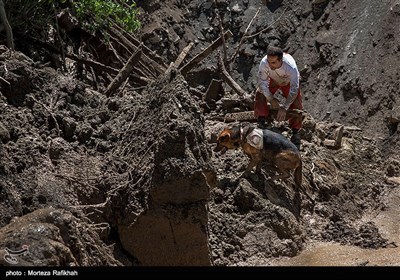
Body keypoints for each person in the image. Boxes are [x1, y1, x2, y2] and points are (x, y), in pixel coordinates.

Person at [254, 45, 303, 150]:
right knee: (260, 93)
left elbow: (294, 89)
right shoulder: (264, 63)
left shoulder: (291, 67)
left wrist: (284, 108)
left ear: (281, 60)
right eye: (268, 61)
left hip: (288, 82)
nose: (269, 64)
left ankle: (295, 132)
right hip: (273, 79)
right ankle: (261, 121)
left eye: (273, 63)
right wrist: (271, 99)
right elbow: (262, 83)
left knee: (297, 104)